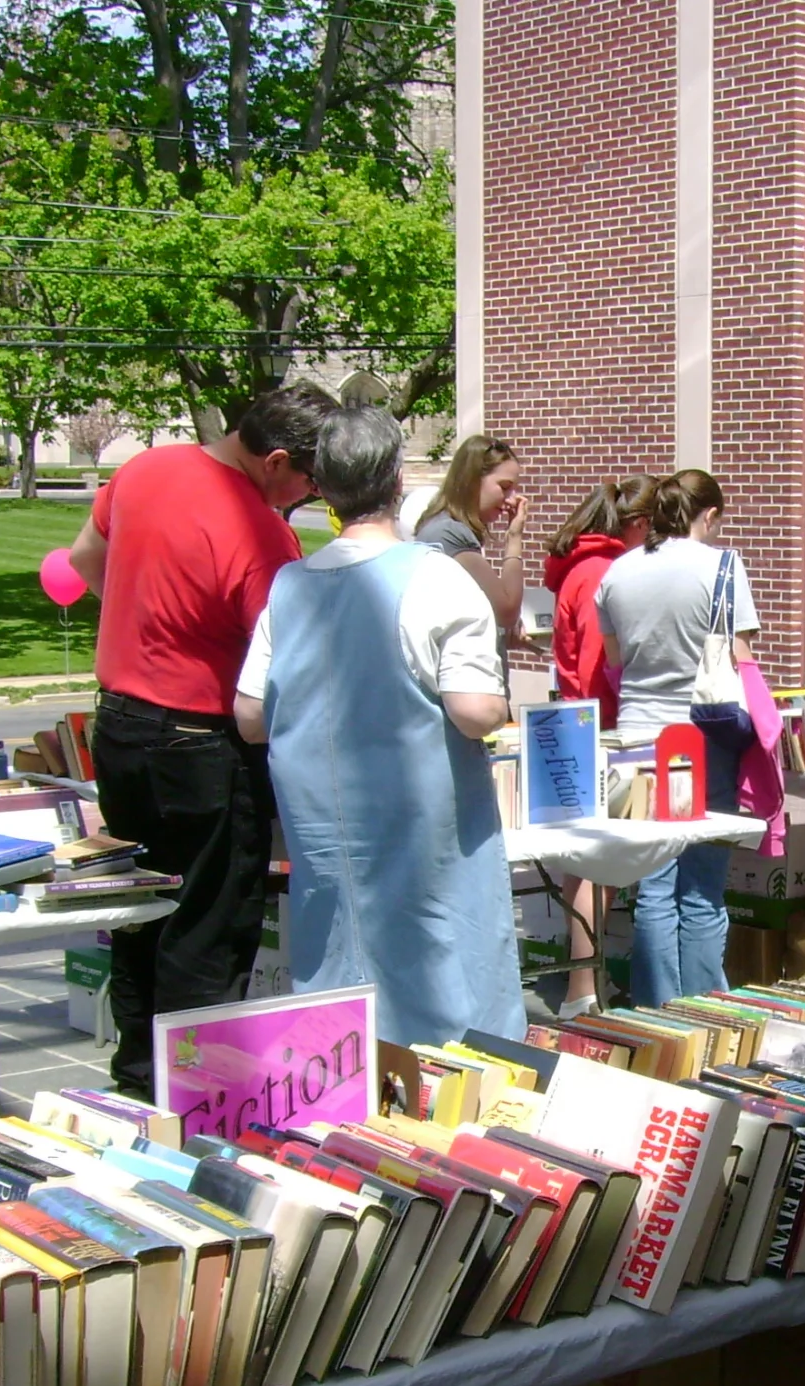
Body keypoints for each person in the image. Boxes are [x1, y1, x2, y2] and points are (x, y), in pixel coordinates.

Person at [67, 382, 335, 1098]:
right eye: (309, 480)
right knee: (207, 925)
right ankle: (188, 1098)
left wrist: (143, 615)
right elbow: (282, 662)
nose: (309, 495)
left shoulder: (147, 468)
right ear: (276, 460)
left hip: (121, 727)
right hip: (202, 744)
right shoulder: (260, 532)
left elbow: (86, 556)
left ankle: (133, 1081)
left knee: (140, 910)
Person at [234, 407, 526, 1046]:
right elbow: (475, 711)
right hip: (426, 851)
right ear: (397, 481)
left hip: (328, 850)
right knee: (449, 1024)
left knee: (342, 1028)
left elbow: (251, 717)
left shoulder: (289, 587)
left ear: (321, 485)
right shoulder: (437, 578)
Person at [599, 469, 760, 1006]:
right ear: (708, 515)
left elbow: (615, 662)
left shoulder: (617, 574)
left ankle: (655, 1007)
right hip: (704, 733)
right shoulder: (722, 567)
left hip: (638, 736)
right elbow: (739, 657)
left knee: (654, 883)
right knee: (704, 883)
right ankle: (706, 1007)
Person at [541, 476, 654, 1016]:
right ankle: (582, 991)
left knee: (585, 864)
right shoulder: (600, 574)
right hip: (597, 729)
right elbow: (595, 662)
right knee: (594, 864)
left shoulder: (583, 569)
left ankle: (583, 984)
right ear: (636, 525)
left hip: (576, 722)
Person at [413, 432, 531, 637]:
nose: (512, 499)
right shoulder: (449, 534)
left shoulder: (442, 527)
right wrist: (514, 538)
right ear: (473, 480)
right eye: (504, 487)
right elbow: (507, 611)